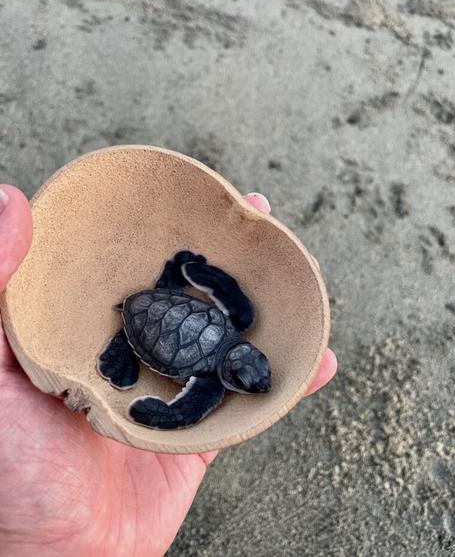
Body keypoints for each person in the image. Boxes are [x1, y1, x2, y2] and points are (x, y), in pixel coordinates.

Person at [0, 184, 337, 556]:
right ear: (233, 367)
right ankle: (124, 346)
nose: (260, 384)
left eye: (254, 377)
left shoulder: (236, 324)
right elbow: (182, 411)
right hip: (145, 325)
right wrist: (160, 416)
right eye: (248, 380)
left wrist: (199, 273)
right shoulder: (210, 384)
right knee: (173, 399)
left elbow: (221, 289)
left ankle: (169, 284)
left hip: (174, 305)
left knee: (209, 306)